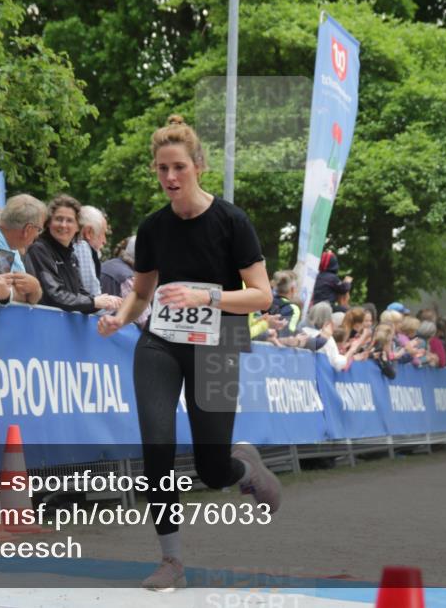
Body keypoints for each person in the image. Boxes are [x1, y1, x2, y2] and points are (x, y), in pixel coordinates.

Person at [96, 115, 280, 591]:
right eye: (162, 168)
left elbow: (262, 296)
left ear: (198, 165)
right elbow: (142, 292)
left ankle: (245, 467)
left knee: (212, 471)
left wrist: (206, 296)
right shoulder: (153, 227)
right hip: (160, 343)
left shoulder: (232, 221)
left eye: (178, 166)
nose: (170, 177)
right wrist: (120, 318)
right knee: (156, 448)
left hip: (219, 344)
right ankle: (171, 560)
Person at [23, 194, 121, 313]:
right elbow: (53, 295)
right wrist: (94, 302)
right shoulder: (39, 250)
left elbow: (78, 293)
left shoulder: (72, 256)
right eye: (59, 219)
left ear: (78, 227)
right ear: (48, 223)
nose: (63, 225)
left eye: (69, 220)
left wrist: (104, 301)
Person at [0, 194, 45, 305]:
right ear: (28, 229)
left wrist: (35, 288)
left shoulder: (10, 245)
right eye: (39, 229)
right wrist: (34, 290)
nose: (37, 235)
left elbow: (26, 297)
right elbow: (2, 292)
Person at [73, 205, 108, 297]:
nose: (105, 241)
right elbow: (92, 293)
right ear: (88, 232)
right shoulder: (81, 246)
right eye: (103, 233)